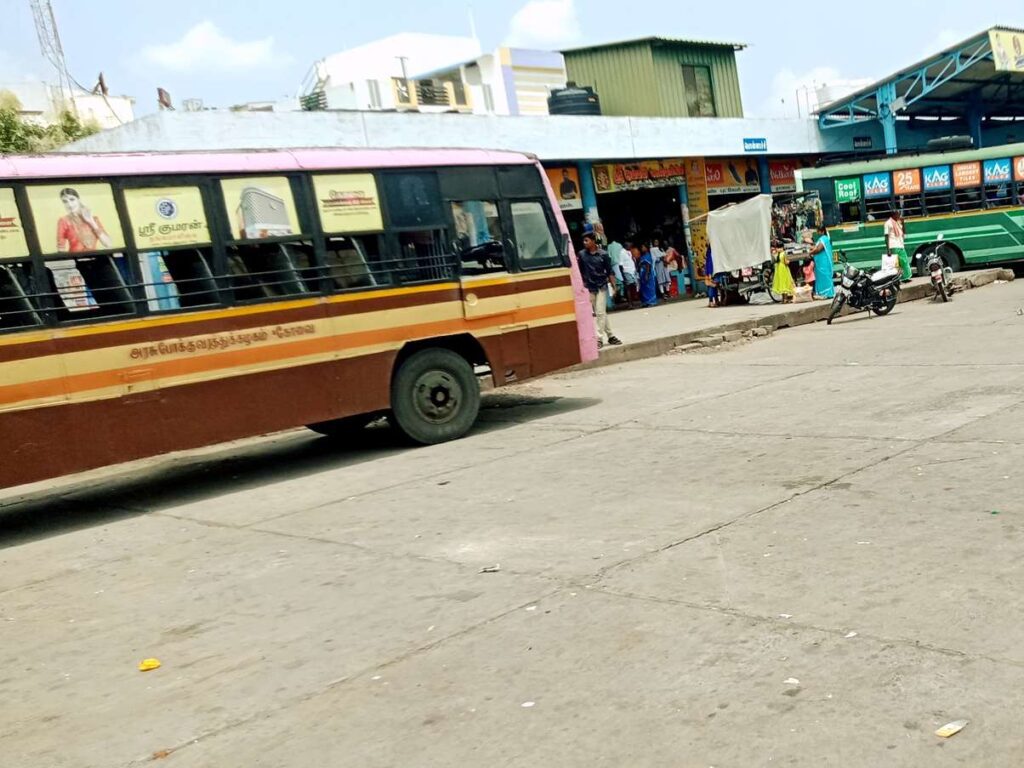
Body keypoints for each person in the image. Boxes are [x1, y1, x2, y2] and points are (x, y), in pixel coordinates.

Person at [577, 232, 621, 347]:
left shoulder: (603, 255)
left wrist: (614, 286)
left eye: (587, 240)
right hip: (589, 287)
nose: (584, 243)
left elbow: (610, 271)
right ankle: (611, 336)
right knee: (600, 313)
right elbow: (580, 272)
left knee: (600, 312)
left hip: (601, 286)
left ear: (593, 241)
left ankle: (599, 338)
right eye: (584, 241)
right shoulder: (581, 255)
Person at [56, 187, 113, 253]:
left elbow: (108, 244)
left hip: (96, 259)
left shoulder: (94, 219)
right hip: (76, 259)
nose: (69, 204)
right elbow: (61, 248)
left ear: (78, 200)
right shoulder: (64, 221)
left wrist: (91, 221)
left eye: (72, 199)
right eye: (65, 202)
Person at [806, 225, 835, 299]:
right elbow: (816, 247)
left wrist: (810, 253)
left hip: (824, 262)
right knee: (820, 277)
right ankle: (822, 293)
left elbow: (818, 249)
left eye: (818, 231)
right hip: (820, 262)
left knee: (825, 277)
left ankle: (827, 293)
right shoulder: (821, 239)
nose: (817, 232)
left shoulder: (824, 239)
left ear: (822, 231)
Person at [885, 208, 912, 283]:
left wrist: (903, 223)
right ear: (893, 215)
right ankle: (900, 279)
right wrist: (888, 250)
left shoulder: (898, 222)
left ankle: (905, 277)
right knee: (897, 263)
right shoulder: (888, 223)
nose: (899, 215)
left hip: (900, 245)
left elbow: (904, 232)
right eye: (898, 214)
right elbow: (886, 237)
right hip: (893, 246)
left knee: (904, 261)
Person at [637, 242, 658, 307]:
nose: (642, 248)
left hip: (647, 273)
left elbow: (648, 265)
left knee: (649, 288)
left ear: (646, 248)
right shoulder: (642, 256)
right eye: (641, 247)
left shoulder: (648, 256)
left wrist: (646, 274)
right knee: (644, 288)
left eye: (643, 247)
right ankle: (645, 302)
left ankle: (651, 302)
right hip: (642, 274)